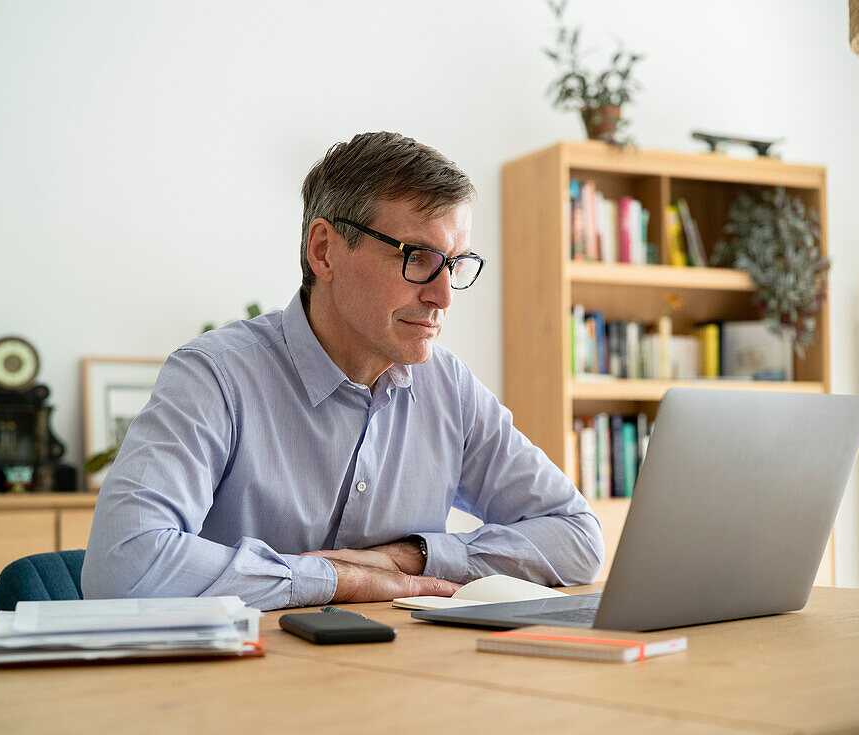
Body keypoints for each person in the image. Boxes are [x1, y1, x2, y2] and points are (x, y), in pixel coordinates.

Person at [82, 131, 604, 609]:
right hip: (239, 693)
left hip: (402, 681)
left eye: (455, 264)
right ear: (324, 251)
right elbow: (122, 567)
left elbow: (578, 536)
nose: (442, 295)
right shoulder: (214, 377)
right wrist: (339, 580)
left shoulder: (451, 388)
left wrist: (409, 559)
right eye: (417, 257)